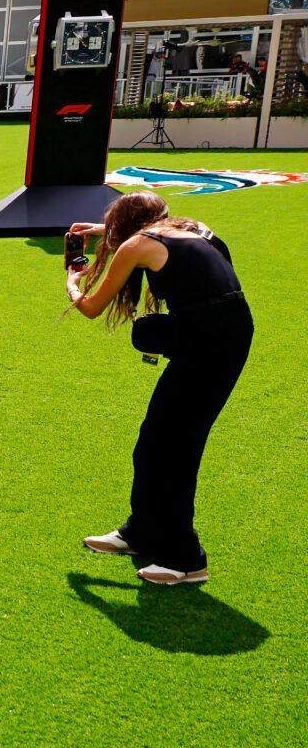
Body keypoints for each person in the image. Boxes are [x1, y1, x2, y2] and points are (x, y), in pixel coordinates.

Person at [66, 192, 253, 585]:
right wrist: (104, 230)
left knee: (175, 450)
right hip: (222, 333)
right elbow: (150, 236)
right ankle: (141, 532)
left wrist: (72, 281)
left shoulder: (137, 245)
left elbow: (92, 306)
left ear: (125, 224)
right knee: (154, 441)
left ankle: (185, 560)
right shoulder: (189, 228)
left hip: (210, 343)